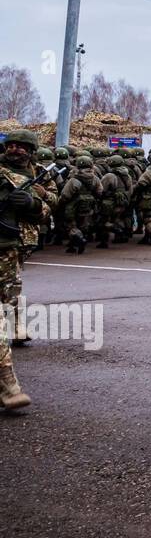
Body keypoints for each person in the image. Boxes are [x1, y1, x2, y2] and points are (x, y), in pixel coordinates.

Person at [1, 130, 46, 410]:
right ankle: (8, 385)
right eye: (11, 145)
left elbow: (50, 205)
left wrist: (32, 205)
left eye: (21, 146)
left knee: (10, 297)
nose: (15, 150)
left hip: (13, 247)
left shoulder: (37, 174)